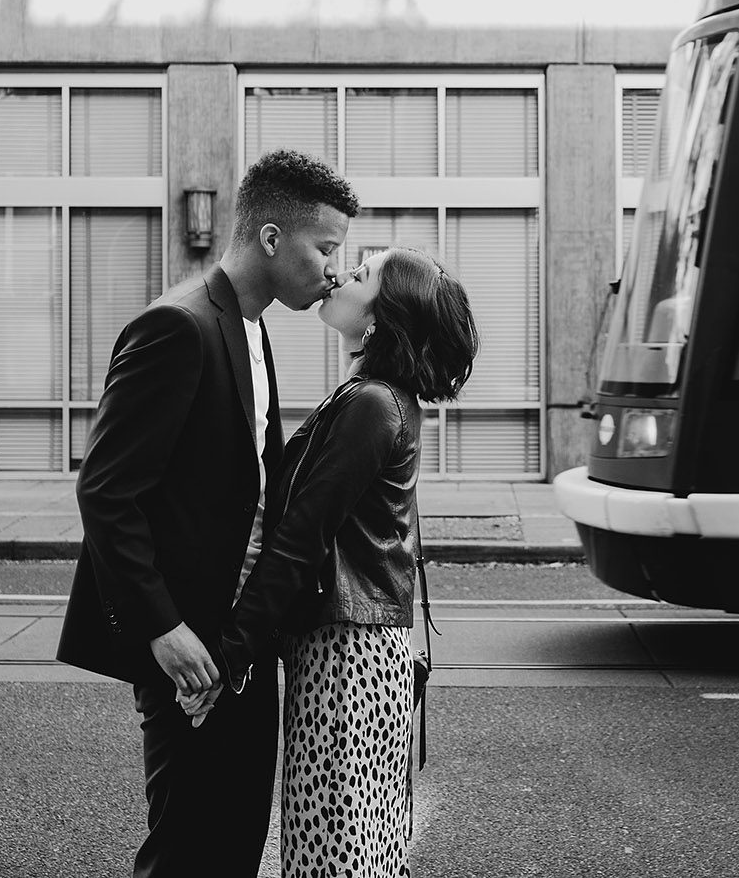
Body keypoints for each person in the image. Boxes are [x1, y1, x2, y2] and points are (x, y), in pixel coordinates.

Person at [56, 150, 358, 878]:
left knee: (236, 841)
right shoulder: (179, 326)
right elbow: (106, 490)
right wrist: (163, 631)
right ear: (271, 238)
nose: (335, 272)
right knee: (188, 850)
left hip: (234, 646)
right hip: (186, 649)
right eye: (326, 248)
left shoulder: (252, 330)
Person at [218, 247, 479, 878]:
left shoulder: (373, 405)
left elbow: (303, 536)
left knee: (329, 854)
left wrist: (230, 652)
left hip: (346, 660)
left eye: (360, 274)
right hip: (359, 653)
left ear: (380, 318)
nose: (340, 273)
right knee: (353, 850)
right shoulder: (377, 397)